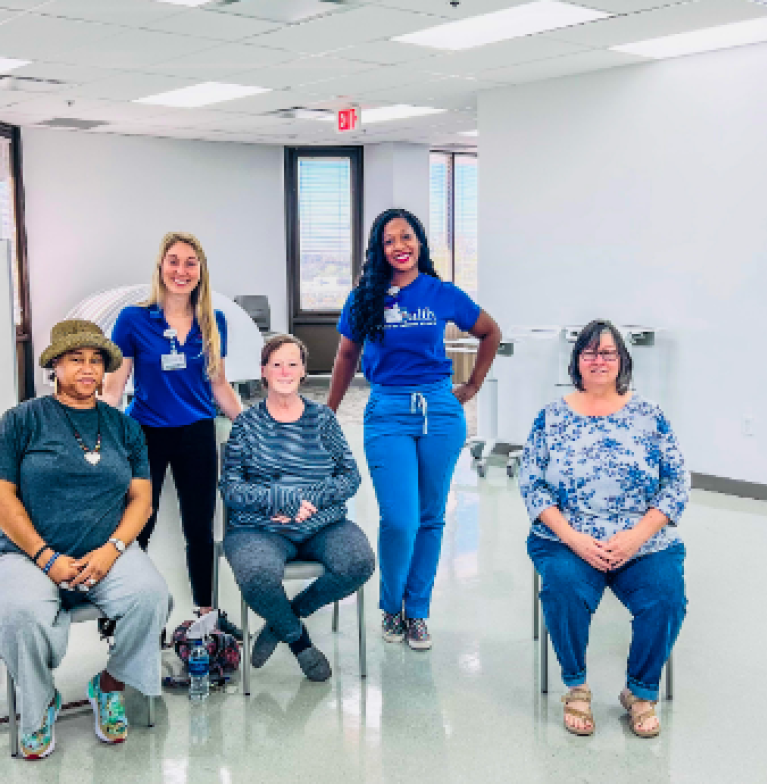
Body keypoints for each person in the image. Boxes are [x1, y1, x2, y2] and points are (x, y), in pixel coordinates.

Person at [0, 320, 170, 759]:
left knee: (151, 596)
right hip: (27, 554)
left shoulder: (123, 426)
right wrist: (45, 556)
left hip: (107, 553)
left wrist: (113, 550)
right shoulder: (21, 420)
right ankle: (40, 701)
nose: (88, 369)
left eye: (95, 361)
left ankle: (109, 686)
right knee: (21, 614)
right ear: (56, 367)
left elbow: (141, 500)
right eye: (76, 360)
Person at [328, 208, 501, 650]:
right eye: (389, 241)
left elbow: (489, 331)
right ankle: (391, 607)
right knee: (400, 519)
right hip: (387, 410)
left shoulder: (440, 293)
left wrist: (472, 385)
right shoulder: (364, 297)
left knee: (431, 517)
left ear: (419, 242)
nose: (399, 246)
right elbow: (347, 357)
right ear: (379, 250)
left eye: (406, 237)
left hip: (440, 411)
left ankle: (418, 611)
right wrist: (328, 411)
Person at [520, 319, 689, 738]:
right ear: (577, 361)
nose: (599, 360)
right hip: (567, 538)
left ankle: (640, 691)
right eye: (590, 353)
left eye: (608, 352)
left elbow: (677, 482)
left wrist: (637, 536)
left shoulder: (651, 416)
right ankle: (575, 686)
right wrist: (574, 539)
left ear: (622, 360)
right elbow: (532, 483)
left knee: (666, 598)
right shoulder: (551, 417)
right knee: (562, 589)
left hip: (643, 541)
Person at [220, 335, 375, 681]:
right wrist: (283, 500)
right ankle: (299, 641)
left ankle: (281, 621)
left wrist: (312, 504)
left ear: (304, 370)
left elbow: (350, 477)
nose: (284, 371)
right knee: (257, 576)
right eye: (276, 364)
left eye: (292, 363)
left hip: (323, 524)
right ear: (263, 371)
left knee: (358, 562)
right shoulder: (246, 425)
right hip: (259, 528)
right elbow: (231, 489)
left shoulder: (323, 419)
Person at [103, 232, 241, 617]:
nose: (181, 270)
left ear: (201, 271)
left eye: (190, 263)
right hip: (146, 433)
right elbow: (115, 387)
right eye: (174, 261)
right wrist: (91, 425)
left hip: (197, 433)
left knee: (199, 528)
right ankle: (127, 611)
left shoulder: (214, 322)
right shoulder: (133, 319)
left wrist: (252, 425)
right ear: (161, 267)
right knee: (138, 525)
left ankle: (206, 615)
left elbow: (219, 385)